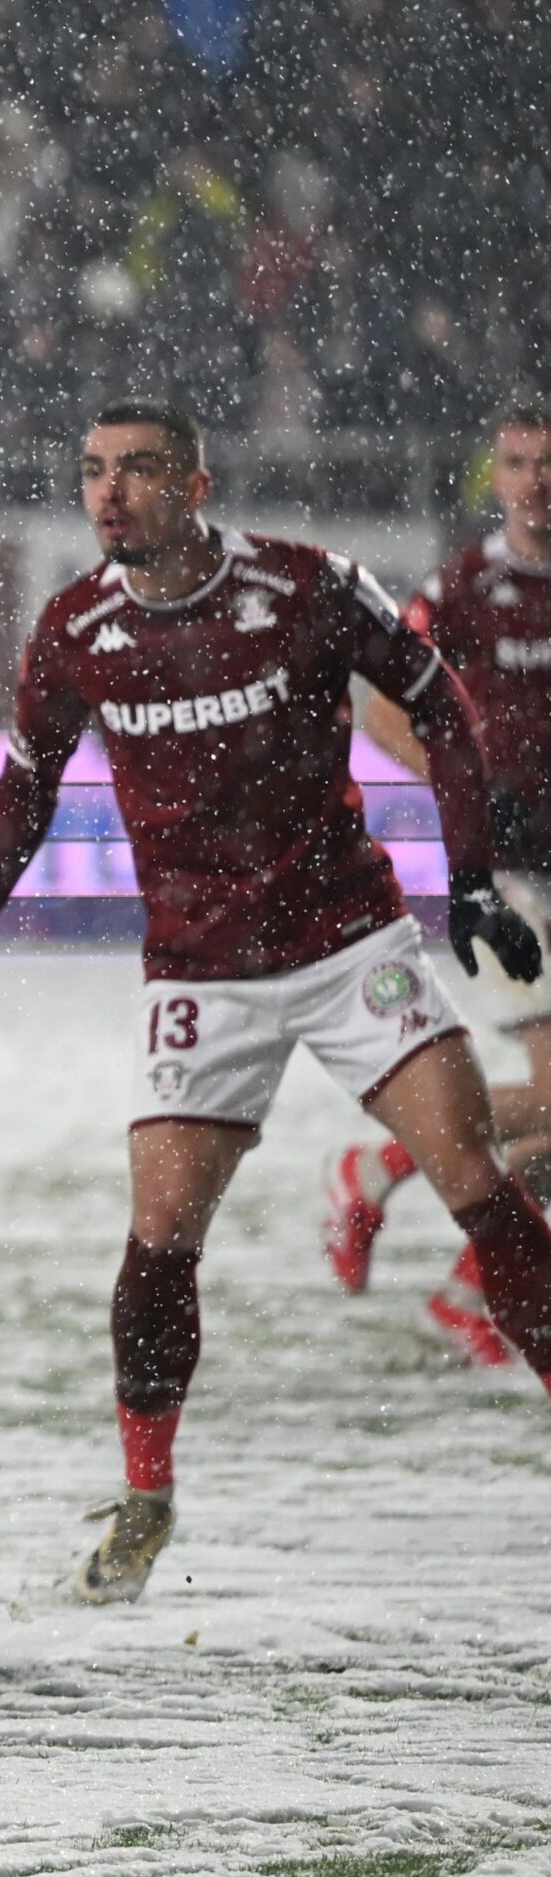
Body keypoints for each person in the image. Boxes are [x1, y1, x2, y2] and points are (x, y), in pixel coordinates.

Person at [0, 399, 551, 1605]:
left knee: (478, 1179)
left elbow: (435, 703)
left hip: (346, 941)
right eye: (93, 473)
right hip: (199, 974)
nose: (109, 493)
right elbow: (25, 785)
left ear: (197, 484)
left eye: (139, 471)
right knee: (160, 1241)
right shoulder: (74, 630)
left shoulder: (304, 585)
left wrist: (468, 876)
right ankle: (146, 1495)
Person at [323, 400, 551, 1365]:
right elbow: (380, 709)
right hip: (508, 874)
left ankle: (446, 1263)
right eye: (518, 462)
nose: (536, 481)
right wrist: (467, 792)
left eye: (548, 463)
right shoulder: (464, 585)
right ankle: (403, 1202)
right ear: (495, 477)